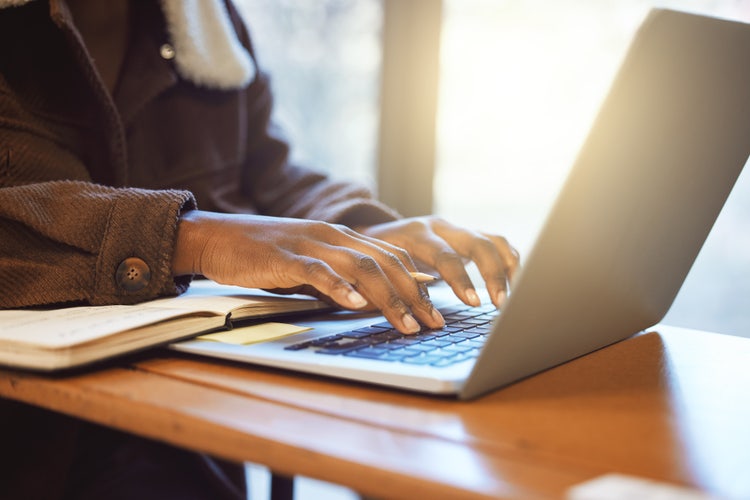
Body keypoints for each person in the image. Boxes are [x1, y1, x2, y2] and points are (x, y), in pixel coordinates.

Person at [0, 0, 519, 498]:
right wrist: (192, 237)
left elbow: (268, 171)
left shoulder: (203, 18)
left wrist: (359, 232)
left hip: (192, 431)